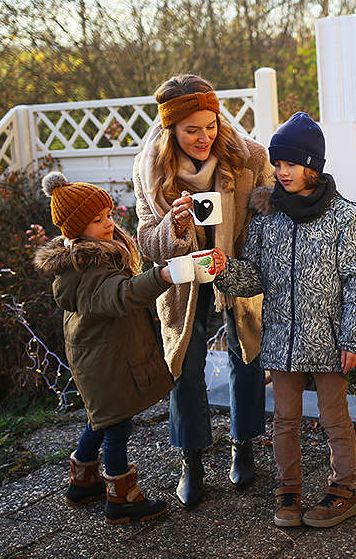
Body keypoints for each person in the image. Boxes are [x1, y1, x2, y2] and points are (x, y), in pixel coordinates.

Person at [213, 112, 356, 528]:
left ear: (313, 165)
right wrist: (222, 269)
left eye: (291, 163)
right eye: (277, 163)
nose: (282, 171)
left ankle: (343, 491)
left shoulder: (344, 217)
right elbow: (253, 277)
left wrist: (354, 338)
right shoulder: (266, 216)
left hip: (330, 340)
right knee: (284, 420)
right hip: (281, 340)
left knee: (334, 419)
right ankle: (287, 491)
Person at [132, 74, 274, 509]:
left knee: (246, 357)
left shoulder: (248, 157)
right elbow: (146, 242)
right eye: (191, 129)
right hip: (184, 281)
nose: (204, 137)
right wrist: (173, 227)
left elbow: (272, 214)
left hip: (235, 269)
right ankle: (191, 460)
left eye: (210, 126)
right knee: (184, 366)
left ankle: (243, 444)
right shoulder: (151, 169)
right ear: (170, 129)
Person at [33, 171, 176, 524]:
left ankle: (82, 482)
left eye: (109, 215)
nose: (109, 223)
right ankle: (121, 497)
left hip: (99, 353)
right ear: (76, 229)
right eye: (98, 220)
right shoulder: (88, 266)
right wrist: (161, 277)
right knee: (116, 424)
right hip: (103, 358)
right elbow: (120, 295)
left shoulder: (89, 256)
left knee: (102, 416)